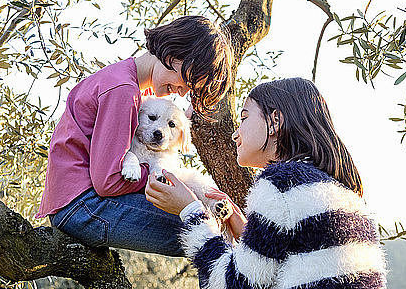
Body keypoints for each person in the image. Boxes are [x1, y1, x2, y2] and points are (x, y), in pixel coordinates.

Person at [145, 77, 387, 288]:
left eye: (244, 117)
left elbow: (232, 284)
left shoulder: (281, 183)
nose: (235, 133)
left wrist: (190, 210)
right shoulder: (341, 189)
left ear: (275, 121)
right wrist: (248, 233)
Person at [36, 15, 233, 257]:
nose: (182, 92)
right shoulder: (123, 91)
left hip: (77, 203)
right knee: (209, 231)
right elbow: (108, 180)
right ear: (173, 53)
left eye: (190, 89)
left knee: (206, 224)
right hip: (82, 207)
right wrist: (159, 179)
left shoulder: (130, 85)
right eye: (187, 80)